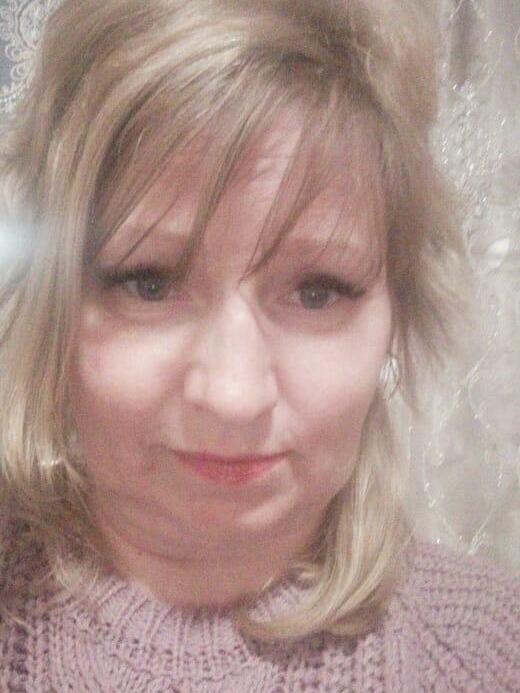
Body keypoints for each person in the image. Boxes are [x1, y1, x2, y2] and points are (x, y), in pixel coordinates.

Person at [0, 0, 518, 690]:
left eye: (317, 291)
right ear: (53, 305)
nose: (234, 397)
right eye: (150, 283)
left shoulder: (492, 653)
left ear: (397, 316)